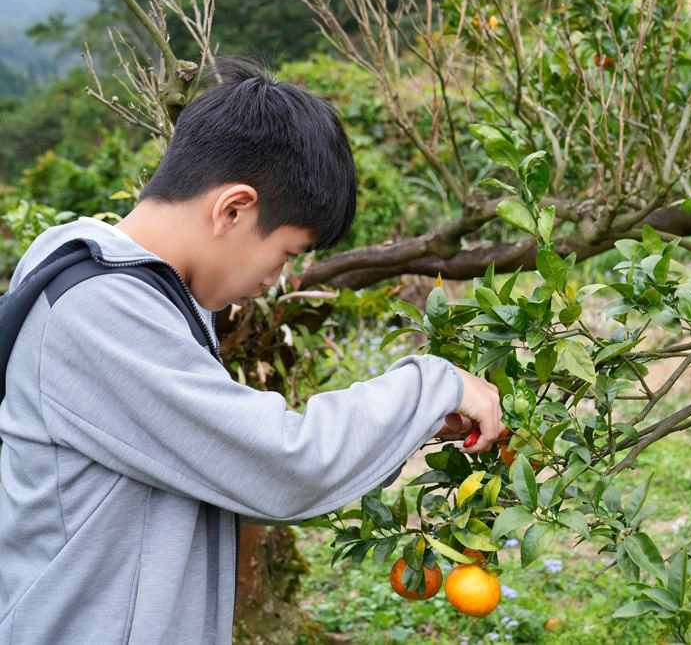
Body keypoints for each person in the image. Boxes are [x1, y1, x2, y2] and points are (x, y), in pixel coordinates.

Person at [0, 55, 504, 643]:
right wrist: (432, 383)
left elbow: (233, 466)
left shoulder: (124, 287)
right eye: (288, 254)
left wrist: (414, 424)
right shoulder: (99, 311)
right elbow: (284, 466)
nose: (275, 280)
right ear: (233, 208)